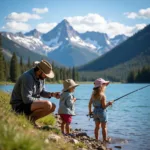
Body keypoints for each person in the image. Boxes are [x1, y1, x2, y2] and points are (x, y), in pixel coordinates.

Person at [10, 60, 60, 128]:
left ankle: (31, 120)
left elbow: (41, 92)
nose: (47, 77)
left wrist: (52, 94)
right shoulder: (27, 77)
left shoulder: (41, 77)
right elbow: (26, 99)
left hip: (29, 105)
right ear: (39, 71)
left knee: (53, 106)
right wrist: (41, 101)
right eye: (46, 74)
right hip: (19, 106)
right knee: (47, 104)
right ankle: (28, 119)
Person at [88, 78, 113, 142]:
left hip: (95, 112)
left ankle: (96, 139)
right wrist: (109, 103)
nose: (105, 87)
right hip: (101, 112)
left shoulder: (93, 95)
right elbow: (103, 106)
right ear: (102, 86)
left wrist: (90, 111)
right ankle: (105, 139)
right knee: (104, 127)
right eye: (104, 85)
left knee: (97, 127)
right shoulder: (103, 95)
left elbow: (90, 104)